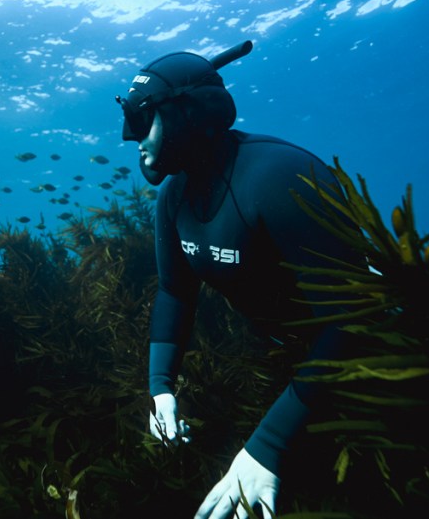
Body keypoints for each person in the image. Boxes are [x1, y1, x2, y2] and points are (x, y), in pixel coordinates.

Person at [116, 40, 365, 519]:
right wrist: (160, 387)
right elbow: (175, 292)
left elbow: (351, 322)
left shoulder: (280, 178)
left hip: (371, 335)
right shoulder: (173, 198)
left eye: (142, 118)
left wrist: (267, 446)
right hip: (296, 350)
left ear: (187, 115)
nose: (130, 136)